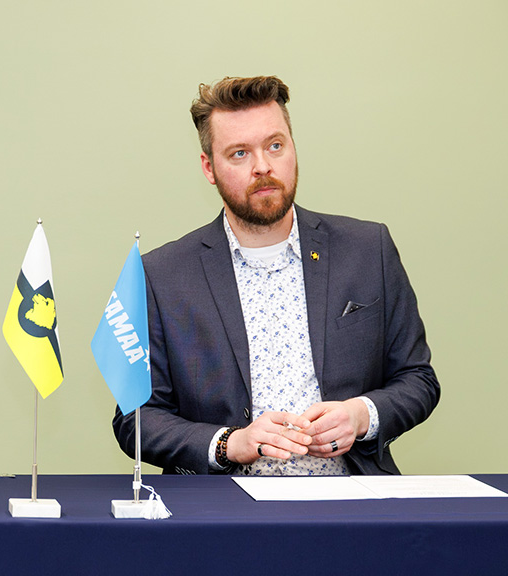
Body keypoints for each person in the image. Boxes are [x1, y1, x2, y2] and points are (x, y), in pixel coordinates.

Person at [113, 76, 439, 475]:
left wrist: (361, 415)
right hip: (221, 506)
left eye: (275, 146)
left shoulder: (368, 250)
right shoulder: (162, 275)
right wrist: (229, 443)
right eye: (239, 154)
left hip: (350, 497)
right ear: (209, 168)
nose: (263, 166)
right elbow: (136, 418)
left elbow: (418, 378)